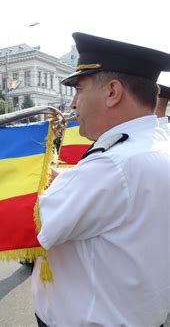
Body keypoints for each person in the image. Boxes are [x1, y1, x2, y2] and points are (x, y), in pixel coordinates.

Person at [32, 32, 170, 326]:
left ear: (112, 92)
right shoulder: (155, 146)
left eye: (79, 91)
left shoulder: (112, 164)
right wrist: (65, 178)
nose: (72, 105)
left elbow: (37, 224)